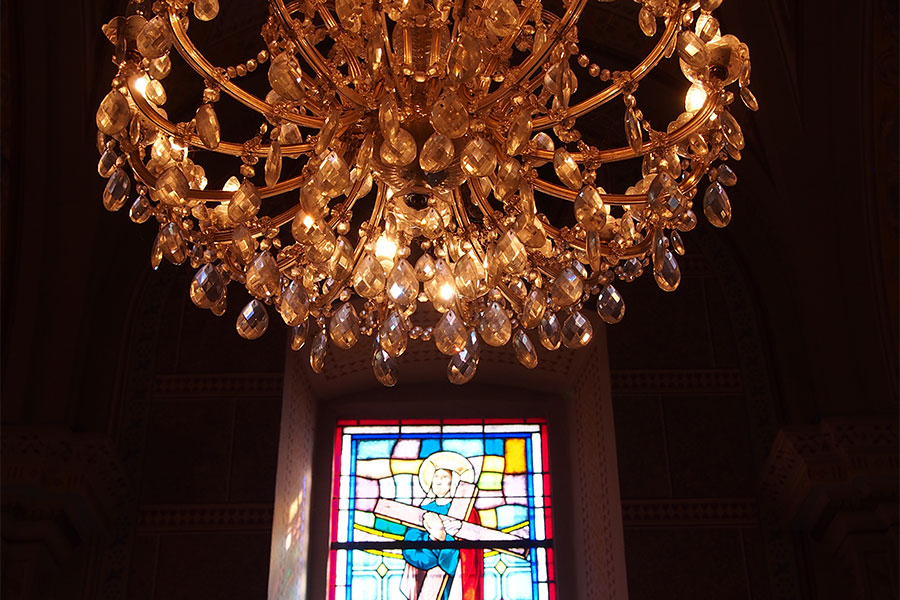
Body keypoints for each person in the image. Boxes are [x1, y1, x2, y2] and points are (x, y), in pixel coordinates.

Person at [400, 452, 484, 600]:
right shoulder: (422, 511)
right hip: (424, 579)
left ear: (454, 481)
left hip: (456, 582)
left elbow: (470, 555)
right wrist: (431, 543)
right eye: (435, 476)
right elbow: (410, 546)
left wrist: (444, 539)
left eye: (444, 477)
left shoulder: (468, 512)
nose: (438, 481)